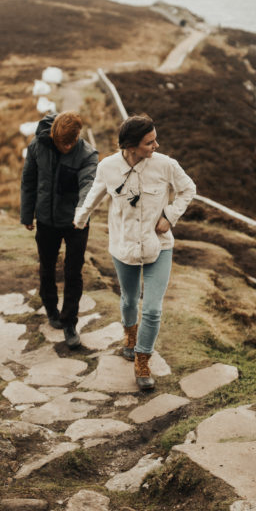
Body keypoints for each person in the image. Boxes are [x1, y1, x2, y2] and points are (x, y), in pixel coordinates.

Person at [74, 114, 195, 390]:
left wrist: (170, 216)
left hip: (158, 246)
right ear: (130, 146)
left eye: (155, 140)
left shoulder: (166, 165)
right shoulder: (108, 167)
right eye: (149, 142)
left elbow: (188, 190)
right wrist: (79, 220)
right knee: (129, 300)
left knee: (152, 309)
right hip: (123, 246)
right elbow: (94, 196)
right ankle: (130, 337)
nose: (156, 146)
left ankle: (142, 360)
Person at [21, 111, 98, 348]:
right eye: (63, 143)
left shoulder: (87, 155)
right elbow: (28, 181)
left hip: (77, 222)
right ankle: (51, 309)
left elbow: (88, 186)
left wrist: (81, 214)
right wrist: (27, 214)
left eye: (72, 142)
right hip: (46, 220)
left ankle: (69, 322)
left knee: (73, 272)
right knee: (47, 267)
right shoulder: (37, 146)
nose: (68, 146)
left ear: (78, 135)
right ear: (53, 135)